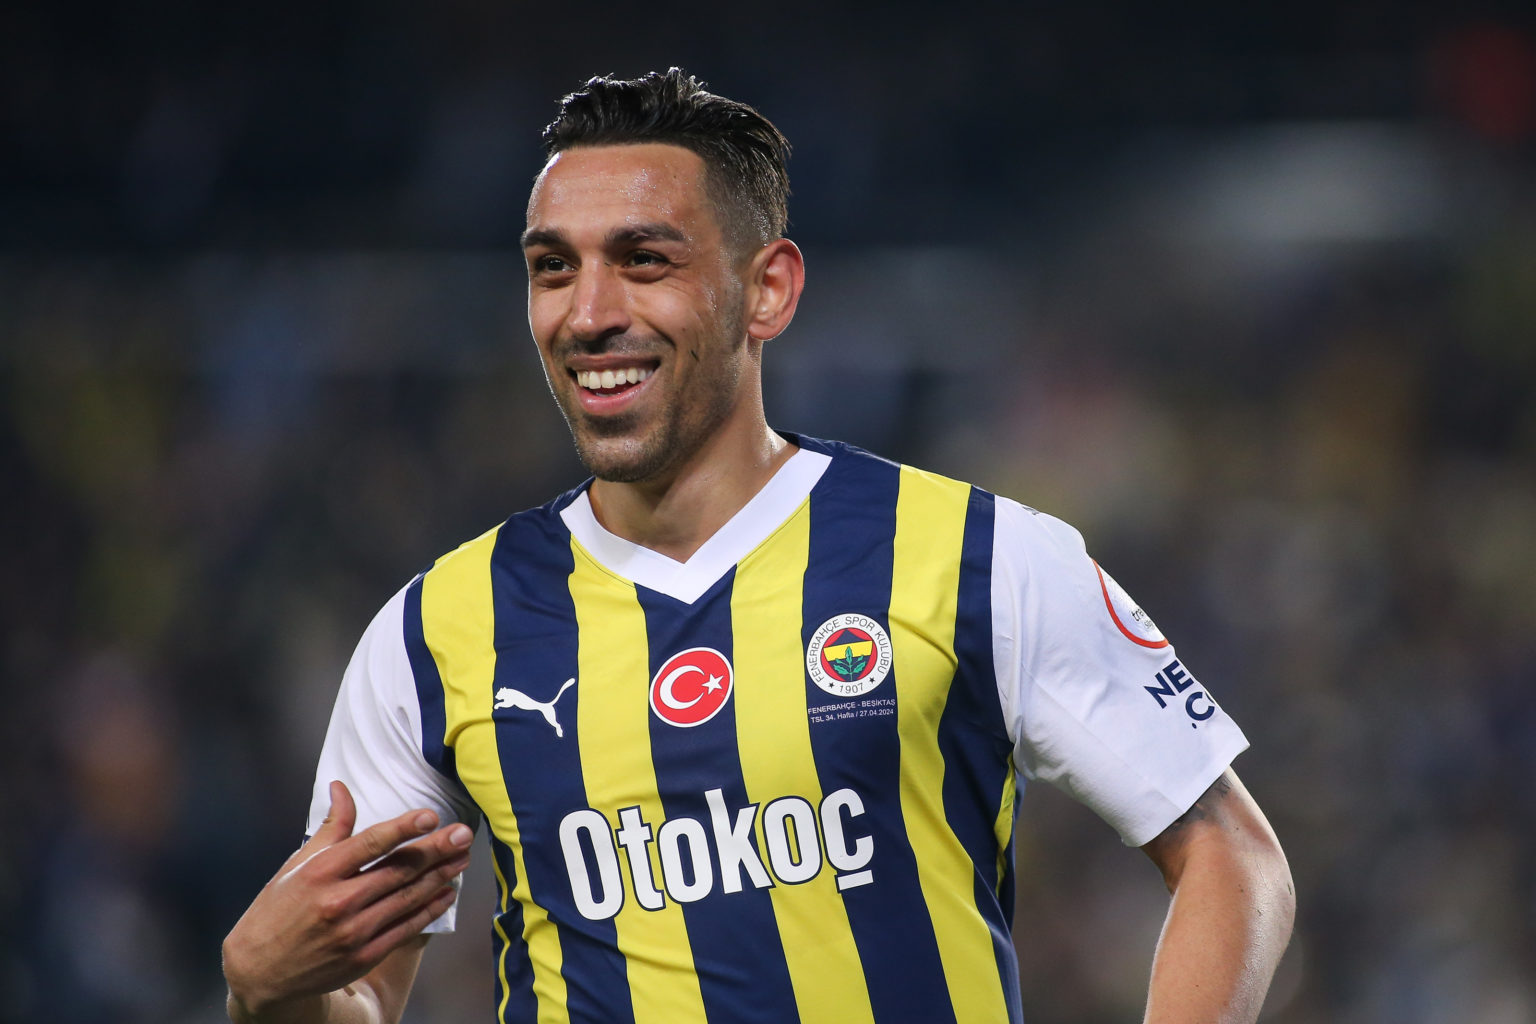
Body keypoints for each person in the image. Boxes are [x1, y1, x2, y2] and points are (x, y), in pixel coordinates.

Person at [222, 68, 1295, 1024]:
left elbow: (1232, 858)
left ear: (767, 288)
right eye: (555, 268)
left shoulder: (977, 555)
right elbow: (360, 997)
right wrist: (267, 992)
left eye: (644, 261)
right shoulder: (433, 634)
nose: (589, 311)